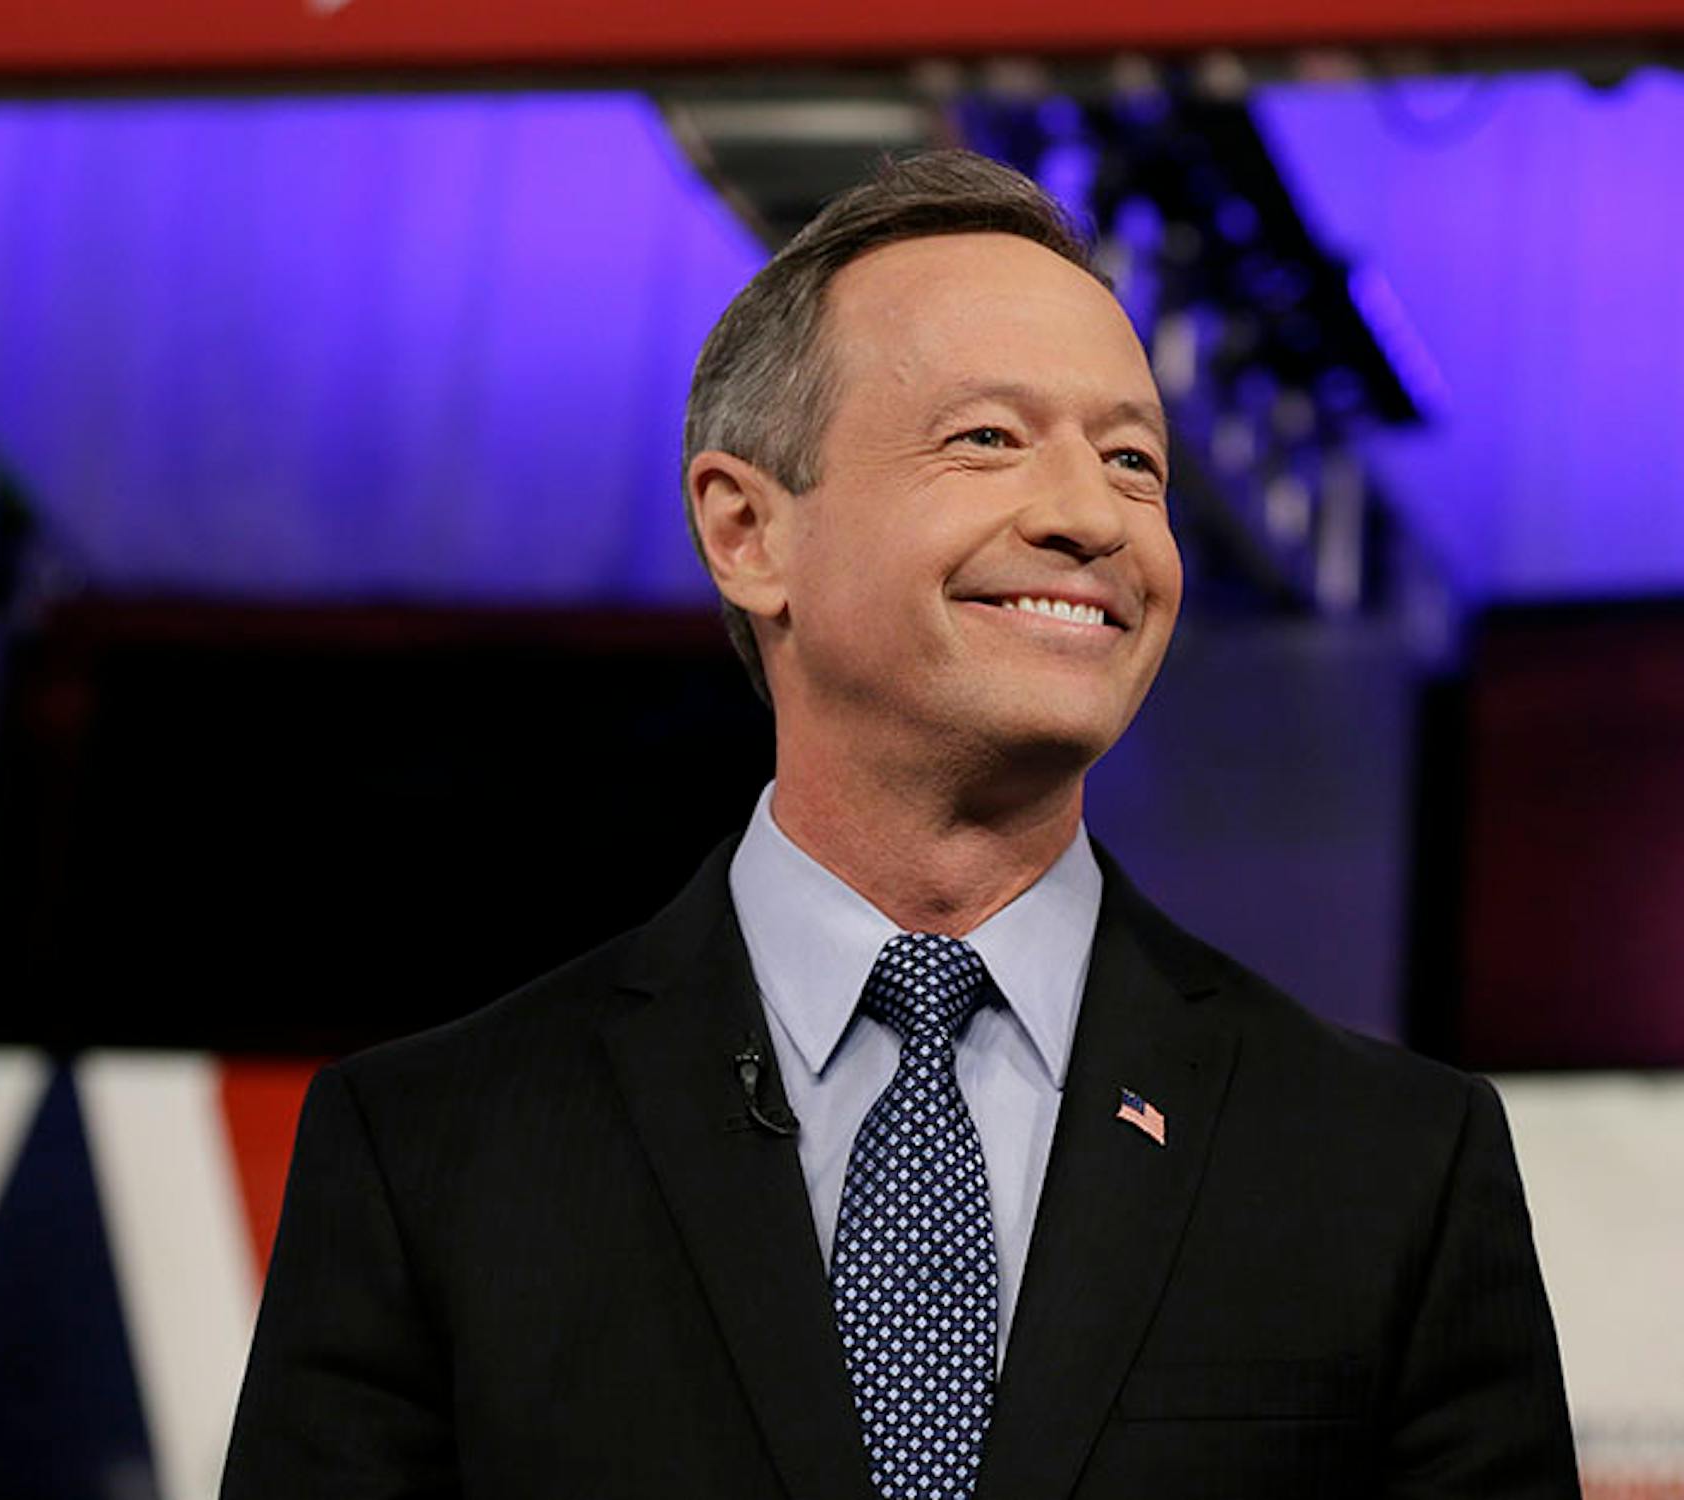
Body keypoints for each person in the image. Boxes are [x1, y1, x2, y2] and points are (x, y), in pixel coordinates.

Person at [221, 149, 1579, 1500]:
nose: (1087, 516)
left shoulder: (1388, 1165)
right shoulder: (432, 1152)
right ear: (748, 531)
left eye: (1133, 460)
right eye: (987, 438)